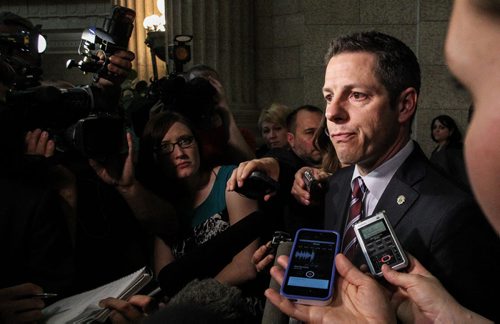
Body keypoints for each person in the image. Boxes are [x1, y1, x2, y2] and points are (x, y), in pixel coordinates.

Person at [266, 28, 500, 323]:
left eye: (356, 95)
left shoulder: (455, 215)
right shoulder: (336, 185)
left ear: (404, 105)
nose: (332, 113)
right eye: (329, 96)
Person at [429, 114, 469, 188]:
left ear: (451, 131)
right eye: (434, 127)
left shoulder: (454, 151)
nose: (437, 130)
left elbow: (462, 177)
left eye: (442, 127)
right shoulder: (436, 151)